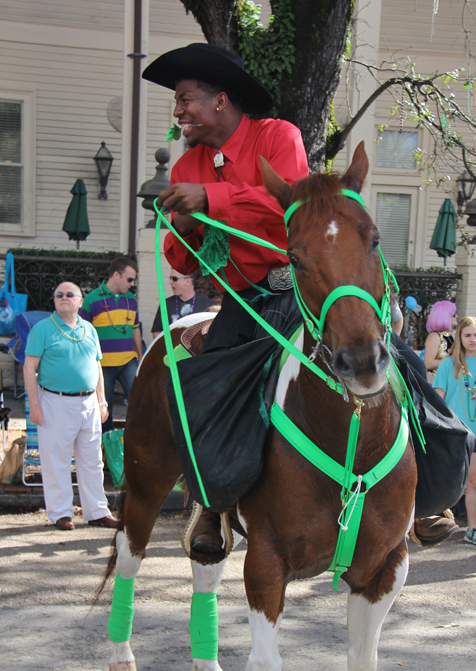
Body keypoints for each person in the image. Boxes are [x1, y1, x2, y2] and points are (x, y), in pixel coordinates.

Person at [144, 43, 459, 554]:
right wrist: (182, 228)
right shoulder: (188, 165)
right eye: (177, 103)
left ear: (220, 100)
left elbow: (292, 215)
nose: (178, 111)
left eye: (184, 99)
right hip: (244, 300)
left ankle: (427, 494)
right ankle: (212, 506)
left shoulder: (278, 136)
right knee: (202, 386)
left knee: (400, 365)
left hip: (306, 289)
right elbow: (183, 262)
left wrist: (213, 198)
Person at [22, 283, 118, 531]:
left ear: (80, 301)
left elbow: (97, 366)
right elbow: (29, 368)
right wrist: (34, 405)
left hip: (89, 403)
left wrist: (102, 400)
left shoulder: (89, 329)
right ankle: (61, 513)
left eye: (69, 295)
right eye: (59, 295)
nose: (64, 298)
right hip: (55, 401)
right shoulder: (42, 329)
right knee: (57, 460)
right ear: (54, 301)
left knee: (92, 460)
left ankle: (97, 511)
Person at [434, 317, 476, 547]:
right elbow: (439, 401)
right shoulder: (447, 365)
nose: (473, 339)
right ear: (459, 338)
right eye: (467, 335)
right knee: (446, 481)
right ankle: (433, 527)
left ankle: (472, 530)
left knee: (474, 482)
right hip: (453, 434)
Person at [80, 256, 143, 432]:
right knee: (103, 409)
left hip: (128, 361)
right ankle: (106, 447)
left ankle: (135, 436)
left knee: (140, 399)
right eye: (130, 279)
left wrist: (141, 357)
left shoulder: (131, 299)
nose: (132, 284)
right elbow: (82, 334)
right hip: (102, 365)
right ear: (116, 275)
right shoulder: (91, 300)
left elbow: (135, 329)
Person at [151, 268, 214, 339]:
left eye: (174, 279)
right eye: (170, 278)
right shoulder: (165, 304)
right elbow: (157, 330)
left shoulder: (208, 304)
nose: (170, 282)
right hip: (171, 349)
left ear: (187, 281)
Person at [423, 300, 457, 383]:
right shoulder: (435, 336)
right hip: (435, 383)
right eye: (454, 314)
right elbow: (428, 363)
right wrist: (454, 360)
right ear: (445, 316)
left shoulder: (449, 336)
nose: (457, 316)